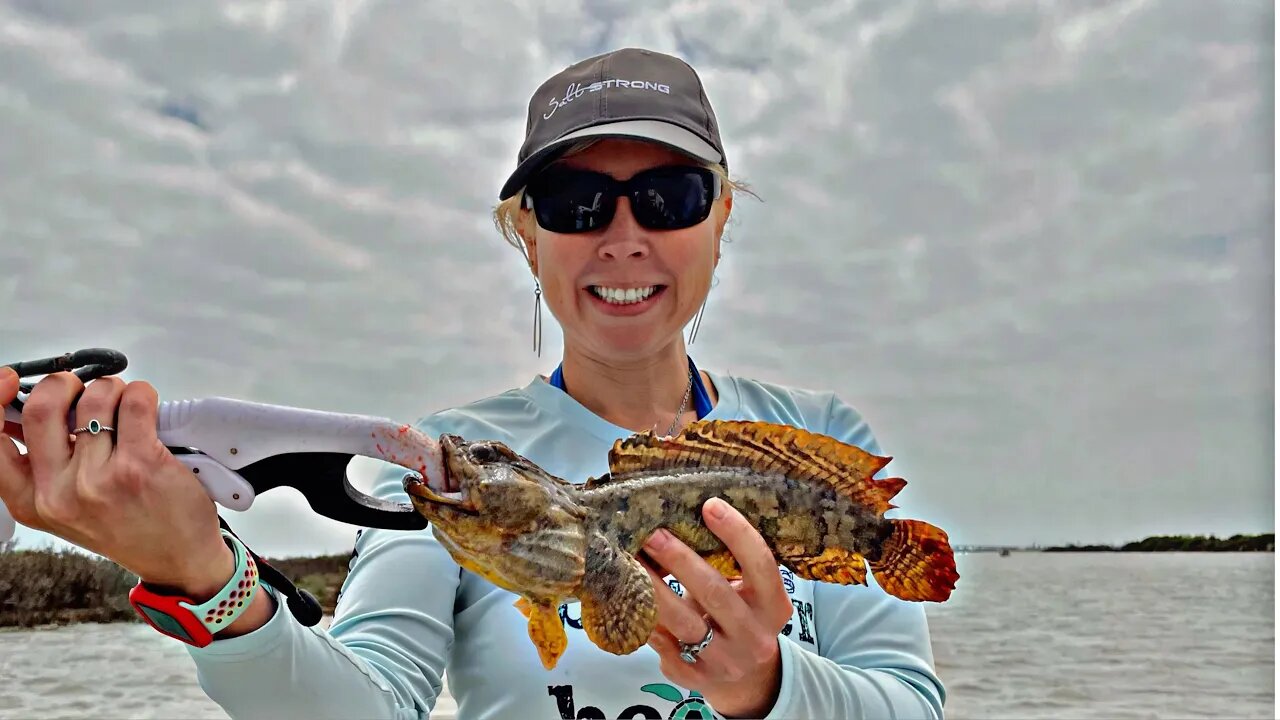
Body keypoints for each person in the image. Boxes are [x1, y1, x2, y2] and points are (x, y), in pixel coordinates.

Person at [0, 48, 947, 719]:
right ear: (524, 233)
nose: (622, 235)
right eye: (575, 203)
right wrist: (201, 577)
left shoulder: (819, 432)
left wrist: (766, 687)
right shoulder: (444, 458)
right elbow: (366, 707)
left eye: (670, 197)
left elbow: (911, 709)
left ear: (722, 217)